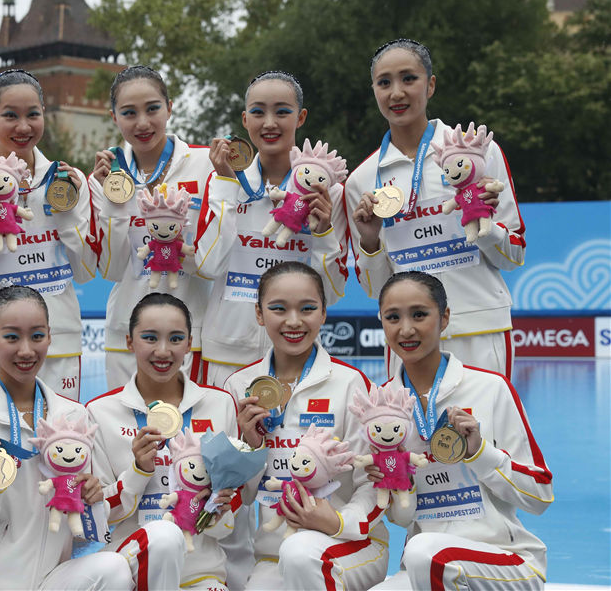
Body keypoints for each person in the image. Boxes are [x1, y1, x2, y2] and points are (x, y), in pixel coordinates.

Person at [0, 286, 184, 590]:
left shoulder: (73, 416)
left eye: (37, 336)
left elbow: (86, 534)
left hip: (53, 581)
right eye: (12, 337)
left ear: (50, 336)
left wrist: (98, 498)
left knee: (113, 569)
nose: (26, 350)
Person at [345, 38, 525, 379]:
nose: (396, 92)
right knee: (410, 434)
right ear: (374, 91)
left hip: (479, 328)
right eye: (384, 82)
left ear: (430, 85)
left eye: (408, 78)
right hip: (407, 338)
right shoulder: (362, 180)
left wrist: (482, 222)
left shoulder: (477, 154)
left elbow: (513, 256)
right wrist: (369, 242)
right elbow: (375, 287)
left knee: (487, 434)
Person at [369, 271, 552, 590]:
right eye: (393, 317)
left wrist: (480, 453)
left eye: (420, 314)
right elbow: (401, 520)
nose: (406, 329)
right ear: (382, 322)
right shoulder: (381, 407)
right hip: (424, 565)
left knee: (424, 552)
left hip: (503, 559)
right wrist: (400, 481)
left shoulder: (491, 388)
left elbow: (540, 495)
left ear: (445, 317)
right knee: (418, 557)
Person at [225, 261, 387, 590]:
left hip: (349, 543)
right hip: (273, 551)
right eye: (278, 309)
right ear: (259, 314)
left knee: (302, 555)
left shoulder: (349, 383)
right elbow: (239, 496)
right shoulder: (239, 385)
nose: (294, 321)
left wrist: (338, 521)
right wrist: (249, 447)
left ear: (324, 313)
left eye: (308, 308)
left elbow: (372, 480)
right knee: (290, 558)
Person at [0, 70, 94, 400]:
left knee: (62, 447)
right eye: (10, 115)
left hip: (58, 340)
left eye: (33, 115)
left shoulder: (67, 181)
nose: (23, 127)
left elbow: (86, 272)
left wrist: (67, 213)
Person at [194, 71, 349, 389]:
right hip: (228, 353)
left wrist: (322, 234)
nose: (269, 123)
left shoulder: (328, 191)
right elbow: (208, 267)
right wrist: (224, 185)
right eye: (258, 111)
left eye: (282, 111)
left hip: (296, 353)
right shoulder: (223, 181)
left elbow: (330, 294)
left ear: (301, 117)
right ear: (244, 118)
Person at [87, 293, 239, 590]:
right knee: (161, 541)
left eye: (175, 338)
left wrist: (216, 505)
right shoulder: (100, 412)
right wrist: (138, 472)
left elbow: (227, 525)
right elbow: (98, 521)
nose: (163, 351)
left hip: (200, 570)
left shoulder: (220, 405)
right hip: (131, 566)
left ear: (189, 343)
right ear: (129, 342)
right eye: (150, 338)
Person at [89, 65, 214, 390]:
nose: (142, 123)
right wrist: (114, 201)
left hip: (190, 333)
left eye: (153, 109)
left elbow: (211, 263)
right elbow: (112, 269)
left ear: (170, 108)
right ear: (114, 117)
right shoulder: (102, 178)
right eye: (129, 112)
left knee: (189, 435)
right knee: (128, 434)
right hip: (126, 334)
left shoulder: (205, 166)